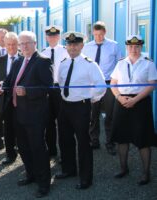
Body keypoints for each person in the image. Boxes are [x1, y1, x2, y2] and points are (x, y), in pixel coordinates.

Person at [0, 31, 52, 198]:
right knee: (23, 147)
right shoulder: (19, 60)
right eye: (21, 44)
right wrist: (1, 86)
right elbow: (9, 81)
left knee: (37, 148)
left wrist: (28, 92)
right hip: (17, 113)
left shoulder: (43, 61)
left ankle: (44, 184)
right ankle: (31, 175)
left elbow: (48, 87)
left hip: (35, 115)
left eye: (27, 43)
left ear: (35, 43)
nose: (24, 46)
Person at [55, 31, 106, 190]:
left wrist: (89, 99)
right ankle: (69, 170)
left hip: (81, 106)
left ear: (82, 46)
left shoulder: (90, 64)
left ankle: (86, 178)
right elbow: (60, 83)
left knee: (83, 142)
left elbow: (101, 87)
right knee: (64, 139)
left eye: (76, 44)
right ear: (66, 46)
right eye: (70, 44)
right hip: (65, 106)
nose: (72, 47)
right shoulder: (63, 63)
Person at [110, 35, 157, 185]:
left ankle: (145, 173)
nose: (134, 49)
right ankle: (123, 168)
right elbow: (113, 82)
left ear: (141, 47)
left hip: (140, 103)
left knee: (143, 139)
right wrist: (119, 98)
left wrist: (135, 100)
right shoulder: (120, 63)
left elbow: (152, 84)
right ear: (127, 47)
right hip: (122, 101)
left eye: (137, 46)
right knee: (122, 137)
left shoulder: (148, 63)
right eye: (131, 47)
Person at [82, 21, 121, 154]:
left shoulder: (114, 46)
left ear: (105, 32)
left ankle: (110, 142)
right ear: (93, 33)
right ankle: (94, 141)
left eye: (101, 34)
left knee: (109, 114)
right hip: (93, 84)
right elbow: (85, 64)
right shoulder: (87, 47)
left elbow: (119, 65)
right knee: (93, 114)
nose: (98, 37)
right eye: (96, 34)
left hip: (108, 83)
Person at [0, 32, 21, 165]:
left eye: (14, 44)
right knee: (8, 128)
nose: (11, 47)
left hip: (21, 100)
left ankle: (22, 148)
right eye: (8, 44)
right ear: (4, 44)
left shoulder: (24, 59)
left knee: (22, 127)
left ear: (18, 44)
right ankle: (10, 154)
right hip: (4, 100)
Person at [41, 25, 68, 158]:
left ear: (58, 37)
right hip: (47, 91)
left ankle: (64, 153)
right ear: (46, 38)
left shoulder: (66, 51)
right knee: (48, 122)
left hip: (61, 89)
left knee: (63, 122)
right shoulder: (42, 53)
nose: (52, 38)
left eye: (55, 35)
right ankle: (51, 151)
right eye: (49, 36)